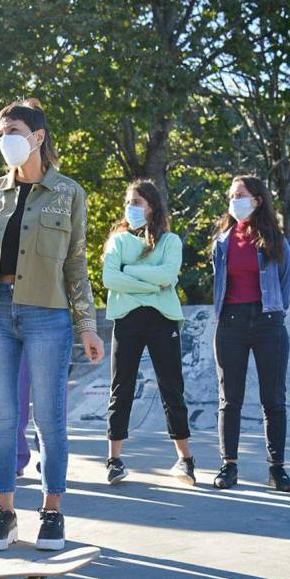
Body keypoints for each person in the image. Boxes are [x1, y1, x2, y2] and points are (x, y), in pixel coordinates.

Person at [0, 98, 105, 552]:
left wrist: (87, 324)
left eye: (15, 131)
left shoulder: (69, 193)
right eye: (2, 133)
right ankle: (4, 514)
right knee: (2, 419)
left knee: (49, 419)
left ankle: (53, 513)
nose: (7, 140)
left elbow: (76, 263)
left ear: (38, 137)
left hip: (48, 314)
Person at [101, 179, 195, 486]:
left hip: (162, 320)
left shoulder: (170, 241)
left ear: (152, 207)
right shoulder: (117, 241)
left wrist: (130, 272)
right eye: (128, 202)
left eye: (138, 203)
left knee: (171, 387)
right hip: (127, 320)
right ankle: (114, 459)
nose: (131, 208)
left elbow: (168, 274)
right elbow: (110, 278)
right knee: (121, 387)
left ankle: (185, 459)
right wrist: (151, 284)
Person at [212, 176, 290, 493]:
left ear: (257, 200)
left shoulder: (275, 240)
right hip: (230, 323)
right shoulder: (222, 242)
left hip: (268, 321)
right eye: (232, 196)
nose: (235, 201)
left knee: (273, 399)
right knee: (229, 399)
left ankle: (277, 470)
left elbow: (286, 281)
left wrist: (273, 311)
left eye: (241, 195)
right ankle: (228, 466)